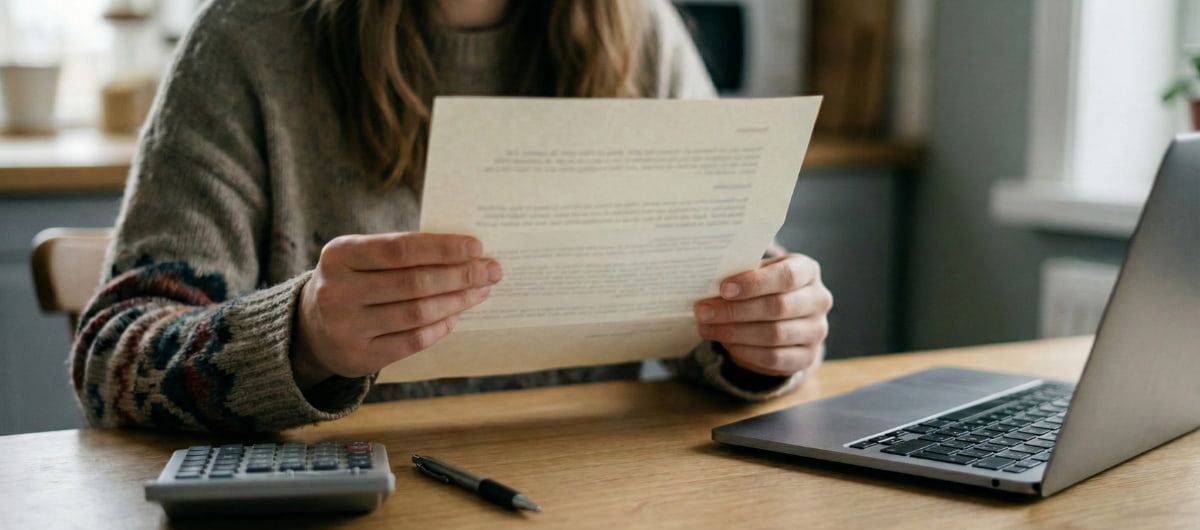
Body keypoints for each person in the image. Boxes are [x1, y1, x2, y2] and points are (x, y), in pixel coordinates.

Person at [71, 0, 833, 434]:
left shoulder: (643, 33)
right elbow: (111, 360)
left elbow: (708, 308)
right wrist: (300, 336)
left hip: (595, 510)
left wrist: (759, 337)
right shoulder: (247, 39)